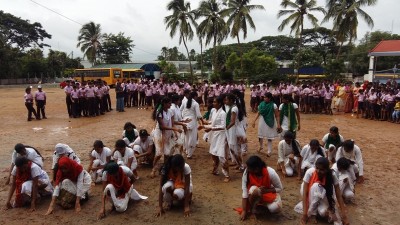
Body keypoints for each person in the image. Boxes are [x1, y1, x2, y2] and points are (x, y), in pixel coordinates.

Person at [297, 157, 349, 225]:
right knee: (316, 186)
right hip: (310, 196)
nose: (318, 171)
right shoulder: (310, 172)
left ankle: (318, 211)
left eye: (322, 169)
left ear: (327, 170)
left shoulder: (332, 175)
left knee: (324, 213)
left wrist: (344, 216)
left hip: (322, 196)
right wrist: (304, 215)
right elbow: (304, 193)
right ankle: (313, 214)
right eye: (317, 168)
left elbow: (338, 195)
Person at [239, 156, 283, 221]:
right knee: (255, 190)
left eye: (249, 168)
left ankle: (262, 207)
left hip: (269, 193)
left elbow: (280, 188)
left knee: (274, 208)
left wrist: (266, 190)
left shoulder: (271, 172)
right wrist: (244, 210)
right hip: (256, 193)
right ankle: (253, 209)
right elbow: (245, 192)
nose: (247, 169)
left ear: (256, 169)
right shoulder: (247, 172)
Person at [199, 96, 230, 182]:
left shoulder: (223, 113)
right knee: (213, 153)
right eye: (213, 102)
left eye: (215, 102)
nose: (213, 103)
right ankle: (215, 169)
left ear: (220, 104)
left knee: (221, 155)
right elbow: (213, 123)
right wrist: (204, 126)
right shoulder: (214, 111)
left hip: (221, 136)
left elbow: (223, 126)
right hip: (215, 136)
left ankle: (227, 175)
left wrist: (211, 128)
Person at [252, 92, 282, 157]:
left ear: (269, 98)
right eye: (264, 97)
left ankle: (269, 151)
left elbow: (277, 115)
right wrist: (254, 121)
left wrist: (278, 124)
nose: (264, 98)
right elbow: (258, 113)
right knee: (260, 136)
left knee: (269, 137)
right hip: (262, 121)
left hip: (270, 121)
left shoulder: (274, 105)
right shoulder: (261, 104)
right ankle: (261, 146)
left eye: (265, 97)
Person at [180, 91, 202, 159]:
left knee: (186, 137)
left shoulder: (184, 102)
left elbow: (180, 110)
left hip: (185, 121)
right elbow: (198, 115)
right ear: (195, 96)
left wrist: (182, 118)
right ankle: (189, 154)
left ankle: (186, 151)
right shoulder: (195, 104)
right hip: (192, 122)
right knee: (192, 138)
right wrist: (202, 122)